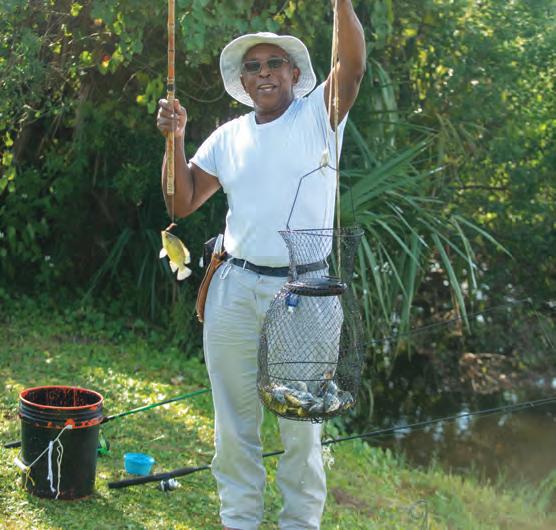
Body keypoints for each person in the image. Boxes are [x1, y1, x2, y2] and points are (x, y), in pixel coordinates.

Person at [157, 2, 365, 528]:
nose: (264, 73)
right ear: (244, 82)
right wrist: (174, 138)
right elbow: (181, 201)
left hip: (306, 292)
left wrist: (341, 5)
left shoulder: (319, 115)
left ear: (295, 74)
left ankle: (300, 522)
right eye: (253, 67)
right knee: (233, 423)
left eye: (275, 64)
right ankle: (239, 520)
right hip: (232, 285)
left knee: (302, 425)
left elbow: (353, 66)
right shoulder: (228, 136)